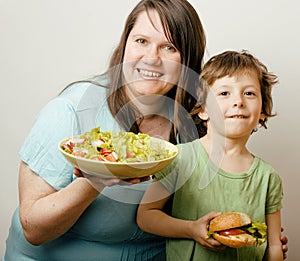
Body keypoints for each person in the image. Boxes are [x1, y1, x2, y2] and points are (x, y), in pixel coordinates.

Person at [3, 0, 288, 260]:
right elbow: (34, 229)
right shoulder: (70, 110)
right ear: (124, 46)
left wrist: (252, 237)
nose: (152, 58)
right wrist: (95, 180)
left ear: (187, 60)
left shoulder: (199, 120)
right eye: (141, 41)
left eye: (169, 47)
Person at [137, 50, 284, 260]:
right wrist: (191, 229)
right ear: (203, 110)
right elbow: (146, 217)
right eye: (224, 93)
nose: (238, 101)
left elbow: (274, 246)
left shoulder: (268, 177)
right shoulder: (181, 158)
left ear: (262, 111)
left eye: (249, 93)